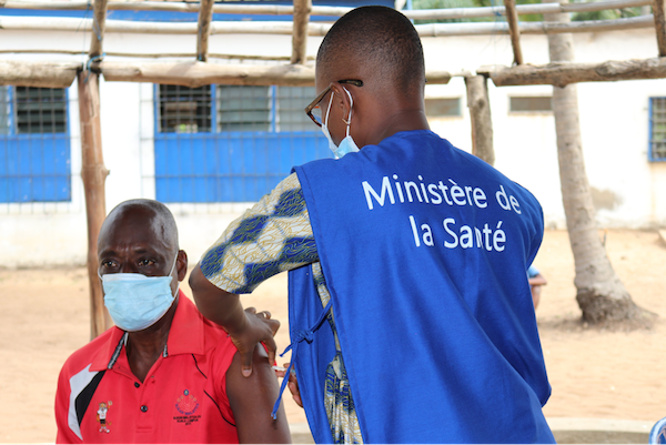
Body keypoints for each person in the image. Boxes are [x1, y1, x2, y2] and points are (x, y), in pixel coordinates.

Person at [189, 6, 555, 443]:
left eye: (320, 108)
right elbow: (445, 296)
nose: (323, 122)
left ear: (342, 99)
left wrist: (244, 328)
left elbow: (210, 281)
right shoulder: (514, 201)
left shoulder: (322, 194)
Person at [54, 199, 291, 444]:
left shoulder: (236, 355)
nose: (126, 276)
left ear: (179, 266)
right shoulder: (79, 374)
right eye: (110, 264)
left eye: (145, 262)